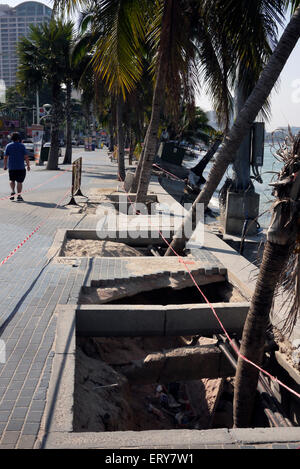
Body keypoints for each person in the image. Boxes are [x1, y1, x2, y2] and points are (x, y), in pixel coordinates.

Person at [3, 132, 30, 201]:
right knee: (19, 182)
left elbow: (5, 157)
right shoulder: (22, 146)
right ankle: (19, 196)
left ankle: (12, 191)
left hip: (12, 167)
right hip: (20, 167)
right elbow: (26, 157)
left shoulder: (8, 146)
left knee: (11, 180)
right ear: (19, 138)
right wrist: (28, 165)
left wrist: (5, 166)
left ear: (12, 138)